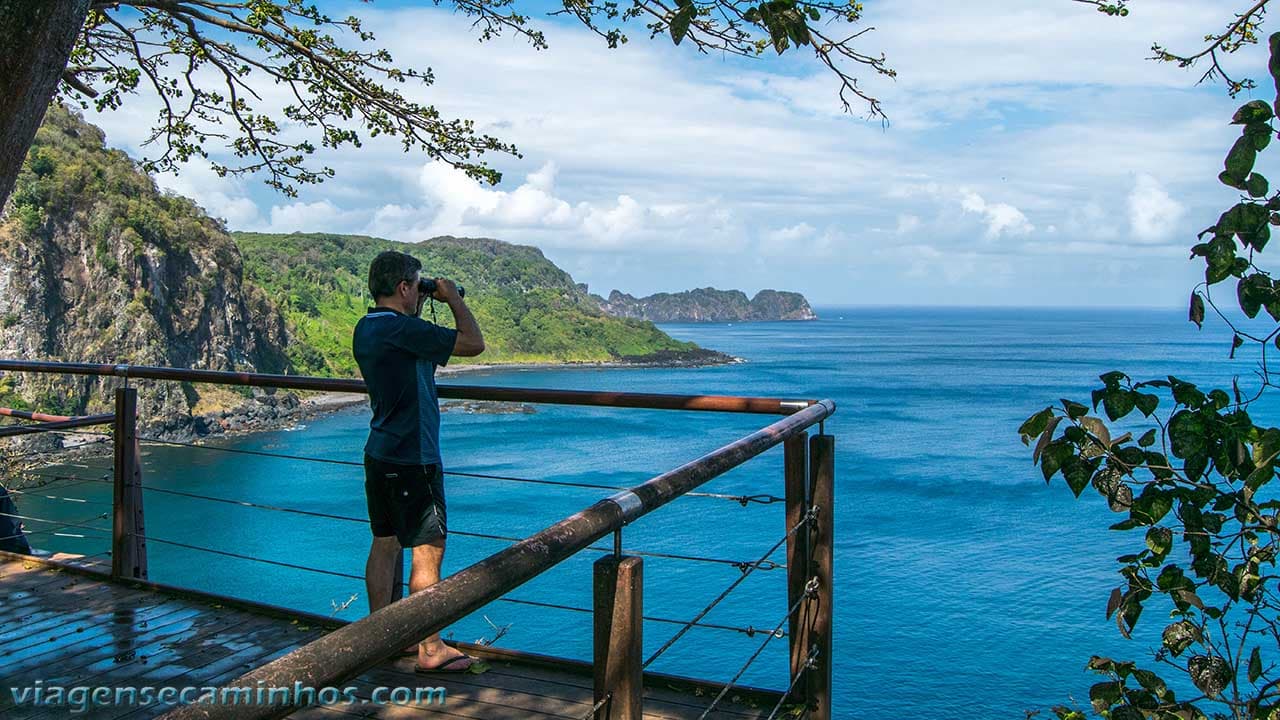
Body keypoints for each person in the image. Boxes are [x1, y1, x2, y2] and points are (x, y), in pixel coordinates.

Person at [352, 249, 484, 673]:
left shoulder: (368, 327)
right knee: (428, 549)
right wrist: (452, 299)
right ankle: (430, 646)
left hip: (379, 451)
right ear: (405, 287)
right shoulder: (404, 331)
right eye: (418, 284)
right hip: (414, 457)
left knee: (385, 543)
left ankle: (381, 637)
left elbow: (412, 343)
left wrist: (423, 304)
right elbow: (473, 343)